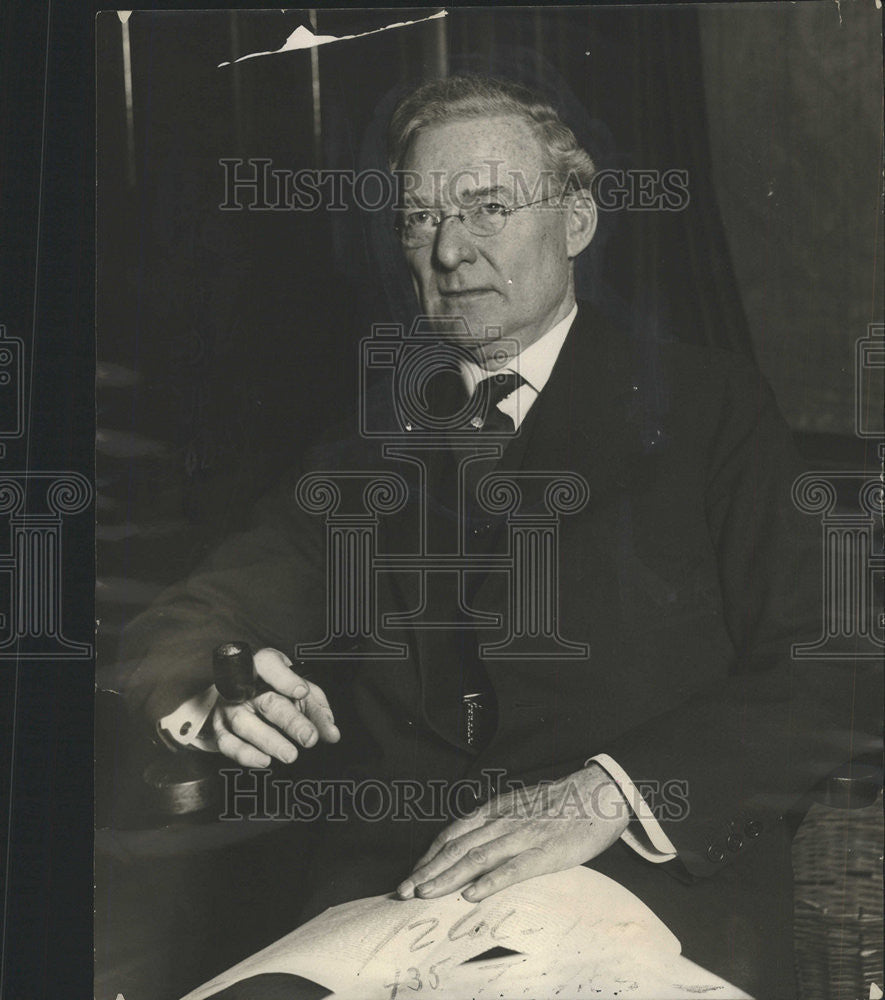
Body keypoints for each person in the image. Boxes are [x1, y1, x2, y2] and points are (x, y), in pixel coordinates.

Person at [122, 75, 881, 999]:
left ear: (577, 221)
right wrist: (215, 680)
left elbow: (832, 665)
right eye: (416, 220)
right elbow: (206, 610)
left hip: (636, 893)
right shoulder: (367, 440)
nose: (448, 250)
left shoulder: (709, 409)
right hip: (394, 902)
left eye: (487, 208)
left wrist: (606, 792)